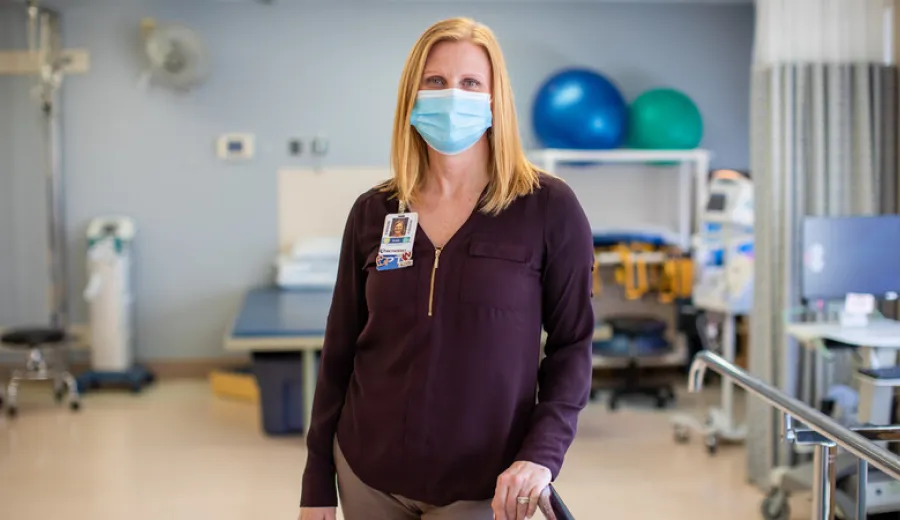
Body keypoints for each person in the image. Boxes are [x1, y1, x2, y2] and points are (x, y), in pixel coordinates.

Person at [298, 17, 594, 520]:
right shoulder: (375, 211)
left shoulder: (548, 207)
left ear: (495, 100)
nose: (451, 96)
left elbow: (573, 346)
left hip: (485, 484)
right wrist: (316, 482)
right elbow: (340, 349)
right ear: (411, 97)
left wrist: (541, 456)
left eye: (470, 83)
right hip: (369, 472)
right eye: (435, 81)